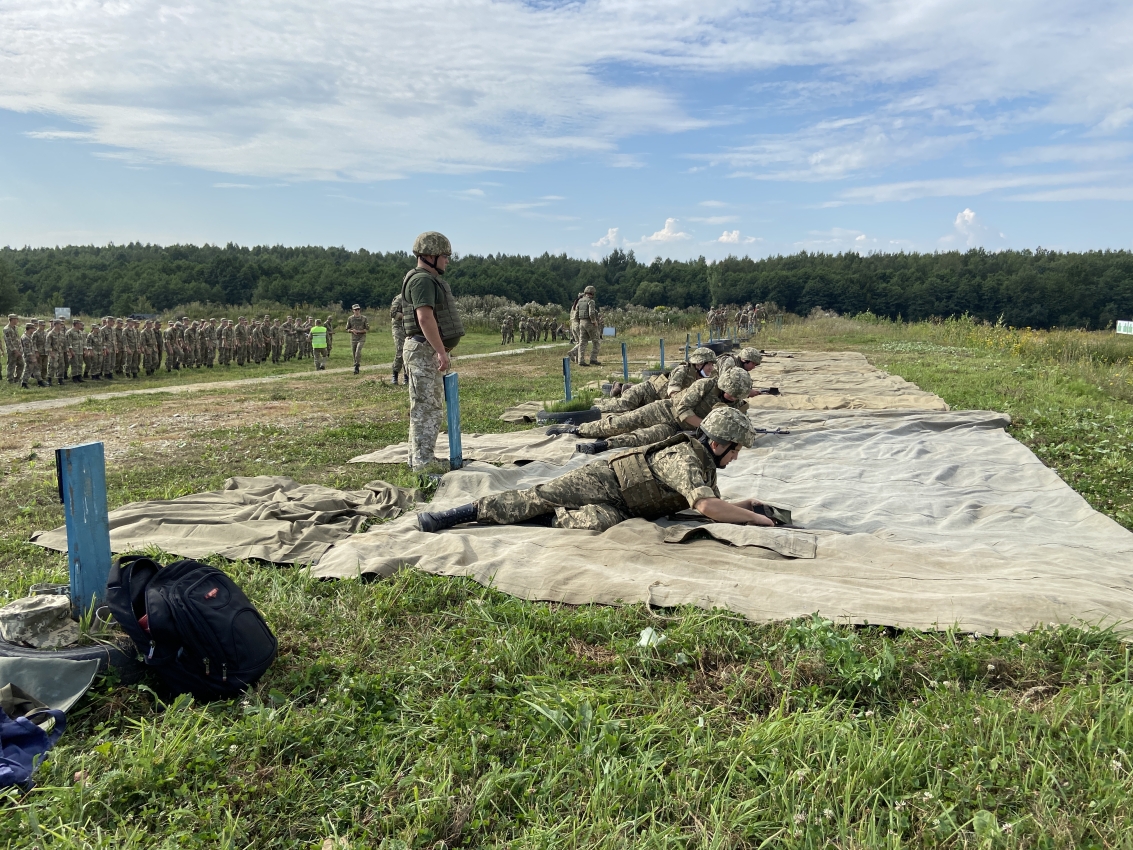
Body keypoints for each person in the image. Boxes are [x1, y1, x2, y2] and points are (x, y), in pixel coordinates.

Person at [416, 407, 789, 533]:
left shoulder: (705, 467)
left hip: (625, 506)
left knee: (595, 523)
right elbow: (706, 507)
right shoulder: (686, 458)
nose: (736, 458)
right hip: (603, 479)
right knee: (537, 496)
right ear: (718, 443)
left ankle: (534, 520)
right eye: (736, 450)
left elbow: (710, 505)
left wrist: (748, 506)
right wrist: (755, 520)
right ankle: (455, 515)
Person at [552, 367, 753, 454]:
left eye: (736, 396)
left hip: (677, 430)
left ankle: (602, 446)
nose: (732, 398)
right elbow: (683, 409)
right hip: (665, 411)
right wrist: (706, 427)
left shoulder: (737, 405)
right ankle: (578, 430)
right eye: (730, 393)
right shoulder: (705, 385)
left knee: (641, 439)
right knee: (622, 422)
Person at [401, 231, 465, 471]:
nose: (447, 260)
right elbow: (425, 318)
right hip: (423, 350)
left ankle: (419, 458)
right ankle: (423, 463)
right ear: (429, 256)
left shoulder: (427, 279)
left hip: (425, 350)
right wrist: (440, 351)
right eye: (444, 255)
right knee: (426, 409)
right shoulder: (422, 281)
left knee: (426, 407)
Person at [576, 285, 601, 365]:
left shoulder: (580, 301)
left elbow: (576, 313)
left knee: (582, 342)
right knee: (596, 341)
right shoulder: (591, 301)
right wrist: (594, 321)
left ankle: (581, 360)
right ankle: (593, 359)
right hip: (589, 323)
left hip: (581, 322)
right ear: (592, 293)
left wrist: (579, 321)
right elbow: (591, 313)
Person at [346, 304, 369, 375]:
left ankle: (356, 365)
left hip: (361, 337)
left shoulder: (364, 318)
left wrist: (359, 331)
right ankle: (356, 367)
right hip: (353, 338)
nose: (357, 311)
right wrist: (352, 331)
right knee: (354, 353)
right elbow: (347, 328)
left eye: (358, 309)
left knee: (358, 351)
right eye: (355, 309)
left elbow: (367, 329)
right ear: (353, 310)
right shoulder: (350, 318)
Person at [390, 294, 407, 384]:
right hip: (399, 328)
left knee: (409, 351)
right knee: (401, 350)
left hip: (410, 327)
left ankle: (407, 376)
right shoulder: (400, 298)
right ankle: (395, 374)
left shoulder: (413, 297)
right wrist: (407, 316)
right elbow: (393, 313)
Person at [4, 314, 24, 384]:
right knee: (11, 364)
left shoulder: (15, 328)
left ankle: (17, 378)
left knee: (21, 364)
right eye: (16, 319)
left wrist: (20, 349)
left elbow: (17, 339)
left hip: (18, 349)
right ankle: (10, 379)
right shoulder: (7, 329)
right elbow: (8, 341)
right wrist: (15, 350)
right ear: (12, 320)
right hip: (12, 350)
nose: (17, 320)